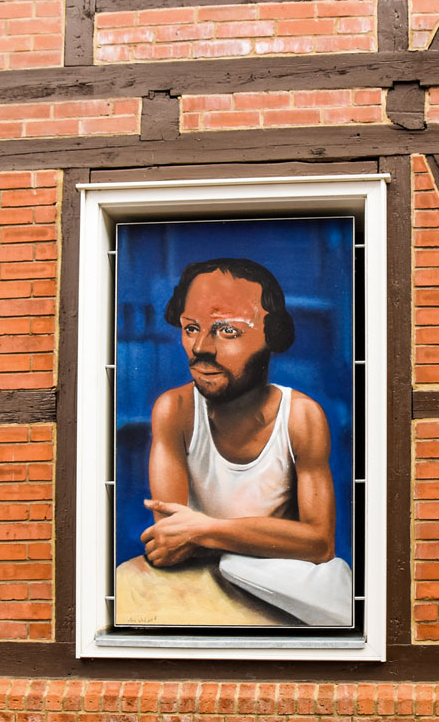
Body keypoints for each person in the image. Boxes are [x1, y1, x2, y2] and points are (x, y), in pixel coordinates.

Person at [130, 257, 351, 626]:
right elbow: (171, 542)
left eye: (227, 331)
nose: (200, 347)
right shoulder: (175, 410)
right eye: (190, 328)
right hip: (197, 588)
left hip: (280, 592)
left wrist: (204, 529)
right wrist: (267, 537)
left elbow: (319, 544)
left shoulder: (301, 416)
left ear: (272, 337)